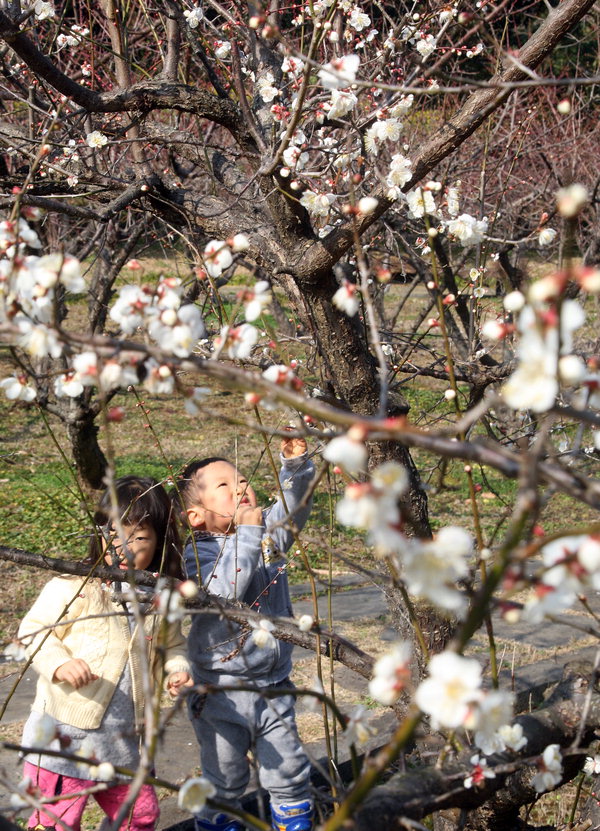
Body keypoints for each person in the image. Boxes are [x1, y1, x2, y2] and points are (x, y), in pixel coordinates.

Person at [18, 476, 192, 831]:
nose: (124, 547)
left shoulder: (161, 596)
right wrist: (60, 663)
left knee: (140, 816)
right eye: (114, 533)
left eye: (140, 537)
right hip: (65, 741)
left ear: (160, 541)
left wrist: (177, 669)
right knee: (56, 821)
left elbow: (173, 643)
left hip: (127, 742)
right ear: (98, 533)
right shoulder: (75, 587)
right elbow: (32, 632)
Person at [175, 435, 315, 831]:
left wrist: (296, 467)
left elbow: (295, 508)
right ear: (196, 516)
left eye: (241, 480)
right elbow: (226, 591)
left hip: (275, 685)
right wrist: (249, 534)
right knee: (224, 779)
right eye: (224, 486)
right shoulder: (197, 554)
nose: (239, 488)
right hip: (221, 694)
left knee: (289, 772)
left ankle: (294, 820)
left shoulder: (266, 534)